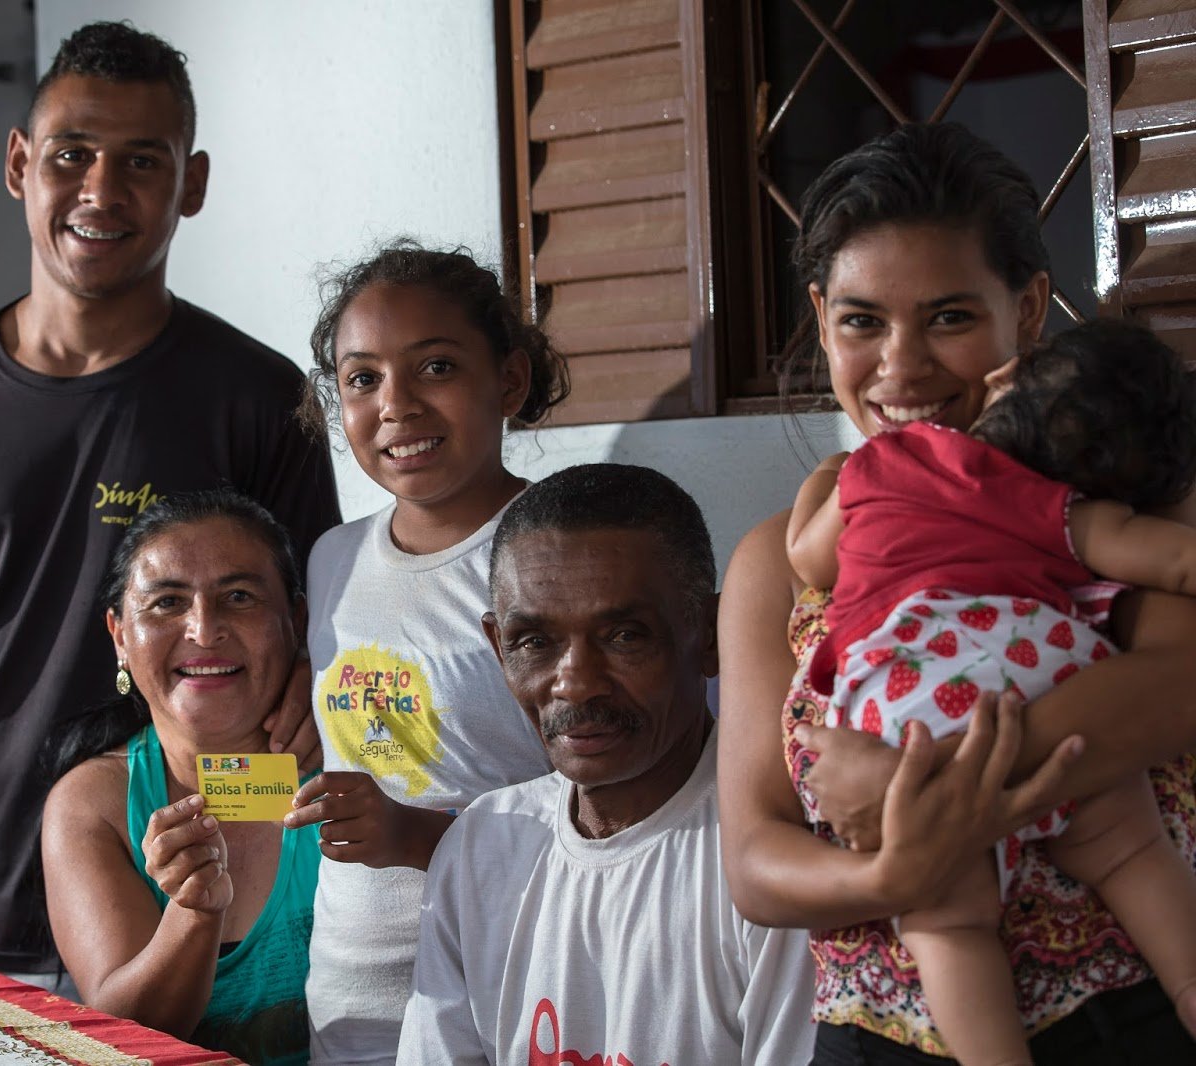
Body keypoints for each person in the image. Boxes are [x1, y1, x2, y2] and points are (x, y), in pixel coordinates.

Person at [0, 22, 339, 981]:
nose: (101, 190)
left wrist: (264, 833)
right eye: (71, 156)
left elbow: (309, 642)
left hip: (181, 911)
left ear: (194, 183)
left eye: (142, 161)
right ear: (19, 165)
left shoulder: (256, 398)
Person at [716, 120, 1196, 1064]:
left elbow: (1181, 686)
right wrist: (902, 864)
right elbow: (755, 865)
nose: (902, 366)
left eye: (949, 317)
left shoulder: (1119, 492)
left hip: (1120, 1028)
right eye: (862, 320)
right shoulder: (779, 558)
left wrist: (906, 786)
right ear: (821, 320)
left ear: (1026, 310)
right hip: (873, 1042)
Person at [784, 319, 1196, 1062]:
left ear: (1006, 379)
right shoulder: (1064, 508)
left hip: (905, 702)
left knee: (947, 921)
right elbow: (1176, 562)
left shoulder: (885, 463)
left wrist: (829, 478)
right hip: (1041, 667)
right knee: (1134, 851)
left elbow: (808, 559)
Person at [396, 463, 817, 1065]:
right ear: (497, 646)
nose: (574, 684)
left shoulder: (777, 859)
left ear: (710, 635)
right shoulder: (480, 848)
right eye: (534, 643)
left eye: (624, 636)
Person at [280, 242, 569, 1064]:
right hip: (347, 1003)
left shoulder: (562, 553)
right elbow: (345, 757)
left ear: (509, 380)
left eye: (435, 367)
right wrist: (225, 806)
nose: (395, 405)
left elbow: (621, 809)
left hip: (507, 994)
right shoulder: (333, 560)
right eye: (363, 379)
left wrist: (416, 837)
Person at [41, 490, 318, 1065]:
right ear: (119, 635)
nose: (204, 629)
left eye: (239, 596)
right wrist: (193, 912)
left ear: (296, 620)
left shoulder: (355, 769)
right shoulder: (94, 803)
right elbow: (121, 1034)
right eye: (167, 602)